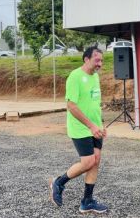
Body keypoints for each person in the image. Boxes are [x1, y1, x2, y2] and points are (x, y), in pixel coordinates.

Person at [49, 46, 108, 214]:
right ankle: (58, 183)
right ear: (86, 59)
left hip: (95, 128)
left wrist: (100, 125)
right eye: (97, 60)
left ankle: (87, 201)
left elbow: (94, 104)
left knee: (96, 161)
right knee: (88, 162)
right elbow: (71, 106)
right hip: (80, 128)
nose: (100, 64)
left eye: (102, 61)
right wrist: (91, 125)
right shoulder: (75, 77)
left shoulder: (95, 77)